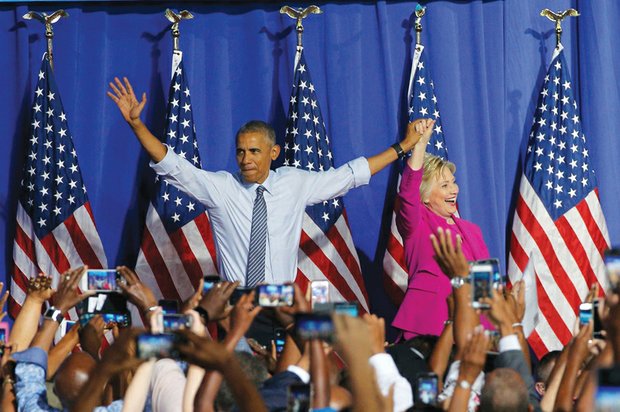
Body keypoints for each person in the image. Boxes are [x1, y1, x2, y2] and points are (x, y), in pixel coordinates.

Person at [107, 77, 424, 286]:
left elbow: (350, 176)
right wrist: (136, 125)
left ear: (274, 152)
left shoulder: (294, 182)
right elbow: (171, 164)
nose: (246, 158)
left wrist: (403, 147)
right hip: (236, 307)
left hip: (281, 307)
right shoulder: (222, 188)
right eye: (241, 151)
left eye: (255, 151)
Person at [393, 118, 490, 338]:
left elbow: (483, 285)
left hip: (471, 328)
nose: (454, 190)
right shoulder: (416, 225)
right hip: (428, 326)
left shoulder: (472, 231)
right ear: (425, 196)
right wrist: (420, 146)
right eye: (444, 186)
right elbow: (408, 193)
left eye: (453, 183)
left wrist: (490, 330)